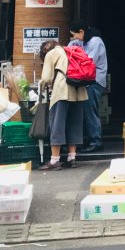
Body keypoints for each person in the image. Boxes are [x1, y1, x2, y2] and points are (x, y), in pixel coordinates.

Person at [38, 39, 88, 170]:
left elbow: (46, 78)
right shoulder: (70, 51)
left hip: (62, 91)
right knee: (75, 123)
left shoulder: (51, 54)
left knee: (57, 123)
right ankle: (72, 157)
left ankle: (54, 160)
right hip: (79, 90)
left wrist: (42, 86)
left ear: (45, 50)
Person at [69, 20, 107, 153]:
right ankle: (87, 140)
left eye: (75, 35)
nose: (74, 38)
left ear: (82, 31)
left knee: (90, 112)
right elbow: (69, 49)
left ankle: (96, 141)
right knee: (84, 112)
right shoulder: (81, 41)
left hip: (94, 82)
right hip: (85, 82)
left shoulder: (96, 41)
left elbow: (88, 62)